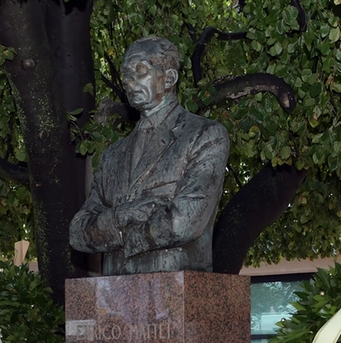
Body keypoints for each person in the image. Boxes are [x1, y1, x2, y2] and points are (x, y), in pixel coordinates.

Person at [69, 36, 229, 275]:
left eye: (140, 70)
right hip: (113, 296)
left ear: (170, 78)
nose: (129, 81)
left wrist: (122, 237)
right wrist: (122, 215)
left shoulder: (204, 134)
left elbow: (184, 221)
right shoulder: (112, 155)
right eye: (125, 74)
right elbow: (78, 232)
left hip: (177, 287)